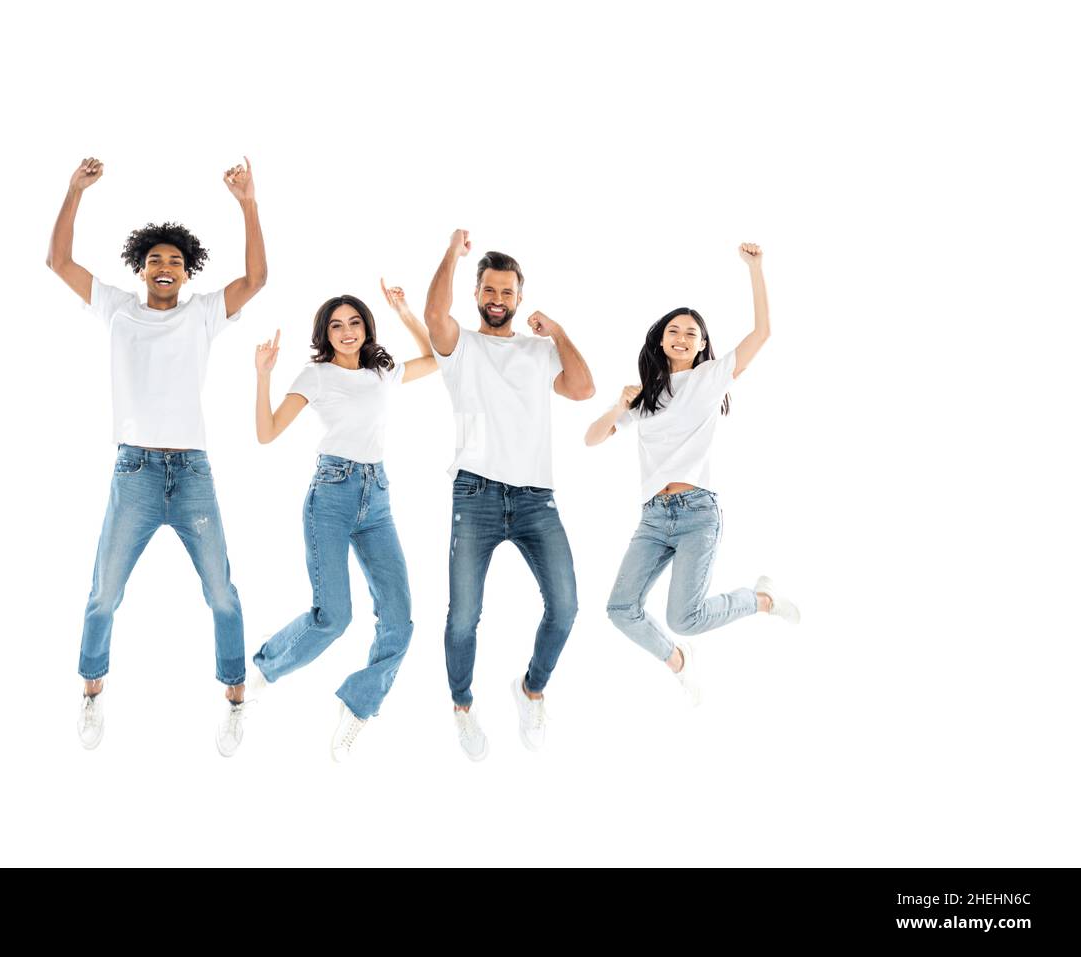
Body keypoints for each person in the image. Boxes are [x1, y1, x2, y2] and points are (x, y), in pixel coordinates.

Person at [45, 155, 267, 753]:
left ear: (186, 270)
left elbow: (256, 279)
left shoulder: (201, 314)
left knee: (221, 590)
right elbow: (58, 262)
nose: (164, 267)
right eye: (154, 260)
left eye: (174, 260)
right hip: (136, 471)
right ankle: (91, 695)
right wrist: (74, 191)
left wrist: (247, 203)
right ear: (140, 269)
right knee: (105, 591)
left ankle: (235, 700)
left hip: (191, 472)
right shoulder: (118, 308)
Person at [585, 243, 800, 707]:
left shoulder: (712, 377)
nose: (681, 336)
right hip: (653, 517)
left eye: (691, 332)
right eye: (673, 330)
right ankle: (677, 660)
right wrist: (619, 405)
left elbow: (762, 332)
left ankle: (759, 600)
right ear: (661, 340)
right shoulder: (644, 396)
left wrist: (755, 269)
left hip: (698, 513)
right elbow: (592, 438)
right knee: (619, 609)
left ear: (702, 344)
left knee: (686, 616)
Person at [423, 230, 596, 760]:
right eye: (489, 291)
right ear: (477, 294)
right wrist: (452, 254)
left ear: (519, 298)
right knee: (462, 616)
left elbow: (584, 388)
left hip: (535, 499)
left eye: (507, 293)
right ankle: (462, 707)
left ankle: (531, 690)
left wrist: (560, 332)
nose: (497, 301)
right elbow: (434, 317)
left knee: (565, 607)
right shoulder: (461, 347)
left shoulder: (539, 350)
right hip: (475, 492)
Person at [249, 281, 436, 761]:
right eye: (337, 325)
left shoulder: (382, 370)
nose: (347, 332)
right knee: (333, 617)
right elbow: (267, 433)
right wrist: (262, 375)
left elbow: (435, 358)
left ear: (366, 328)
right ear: (325, 334)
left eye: (355, 323)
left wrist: (406, 311)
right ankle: (264, 670)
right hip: (331, 495)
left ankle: (359, 704)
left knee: (399, 616)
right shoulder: (315, 377)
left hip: (377, 498)